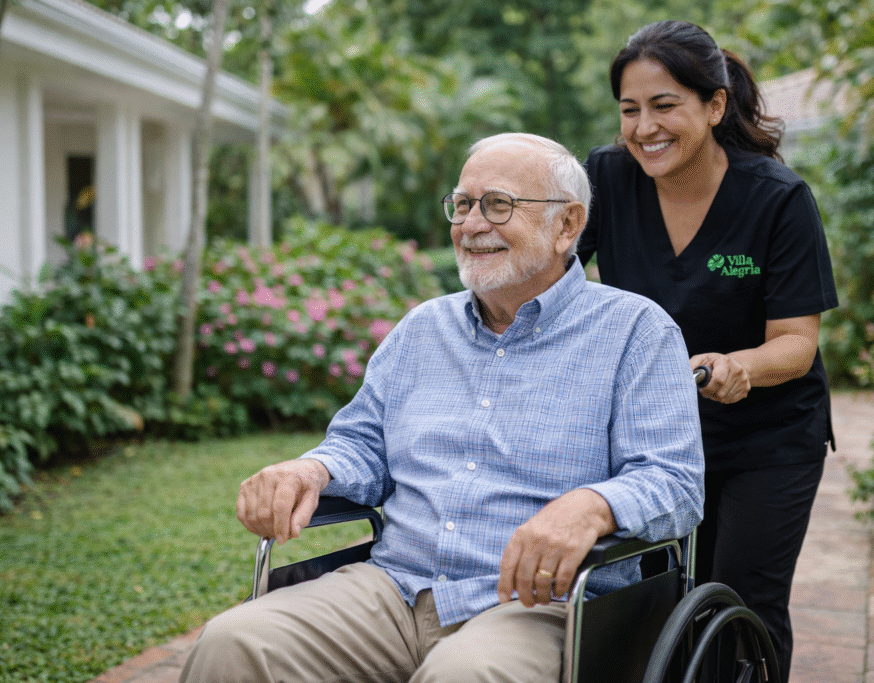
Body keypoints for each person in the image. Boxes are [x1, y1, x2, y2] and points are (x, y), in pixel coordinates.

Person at [179, 132, 705, 683]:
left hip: (538, 603)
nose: (471, 224)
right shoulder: (422, 329)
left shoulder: (636, 332)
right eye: (463, 204)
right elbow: (363, 444)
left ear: (567, 225)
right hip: (394, 586)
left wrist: (593, 506)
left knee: (464, 676)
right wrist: (311, 469)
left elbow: (674, 482)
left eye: (498, 205)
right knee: (233, 643)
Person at [576, 20, 839, 683]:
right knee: (649, 600)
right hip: (655, 434)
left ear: (714, 105)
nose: (644, 128)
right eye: (630, 110)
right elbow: (551, 277)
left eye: (665, 105)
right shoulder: (607, 176)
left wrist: (736, 366)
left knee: (741, 598)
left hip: (767, 438)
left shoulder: (777, 199)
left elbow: (797, 343)